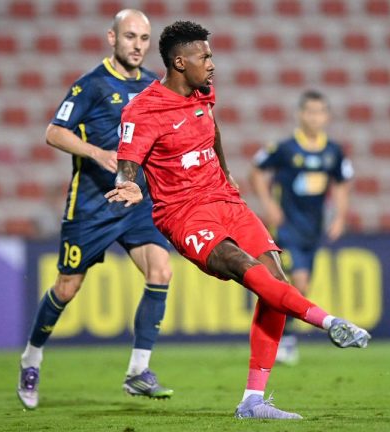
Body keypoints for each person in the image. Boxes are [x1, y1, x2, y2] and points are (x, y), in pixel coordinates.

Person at [106, 20, 371, 420]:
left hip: (226, 201)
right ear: (180, 61)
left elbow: (211, 128)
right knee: (243, 267)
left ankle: (252, 401)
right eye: (204, 56)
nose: (212, 64)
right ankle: (328, 321)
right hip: (184, 214)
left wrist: (226, 171)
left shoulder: (203, 91)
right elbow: (127, 165)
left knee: (275, 281)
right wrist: (127, 184)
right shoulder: (143, 109)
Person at [16, 9, 174, 409]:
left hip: (135, 202)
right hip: (92, 206)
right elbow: (53, 132)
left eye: (144, 38)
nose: (138, 45)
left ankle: (138, 372)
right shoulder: (91, 85)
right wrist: (96, 153)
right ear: (112, 38)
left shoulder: (155, 85)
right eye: (130, 37)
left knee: (161, 270)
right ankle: (31, 356)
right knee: (67, 288)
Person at [249, 90, 353, 366]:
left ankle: (284, 337)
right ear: (299, 114)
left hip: (312, 230)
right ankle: (285, 342)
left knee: (299, 288)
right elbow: (257, 171)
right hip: (286, 228)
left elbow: (342, 183)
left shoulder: (334, 151)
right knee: (299, 281)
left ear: (327, 116)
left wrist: (340, 217)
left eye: (320, 112)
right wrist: (269, 204)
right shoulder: (284, 148)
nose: (315, 117)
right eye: (309, 111)